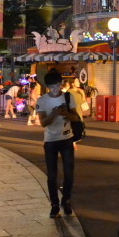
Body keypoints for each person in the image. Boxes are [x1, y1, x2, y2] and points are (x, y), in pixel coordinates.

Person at [36, 69, 79, 217]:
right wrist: (54, 114)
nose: (55, 89)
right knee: (52, 175)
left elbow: (76, 118)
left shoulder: (68, 97)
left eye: (57, 86)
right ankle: (54, 204)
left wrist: (66, 113)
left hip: (67, 139)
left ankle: (66, 201)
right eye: (52, 87)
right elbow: (43, 123)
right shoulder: (42, 101)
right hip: (50, 141)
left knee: (69, 173)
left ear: (61, 84)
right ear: (47, 87)